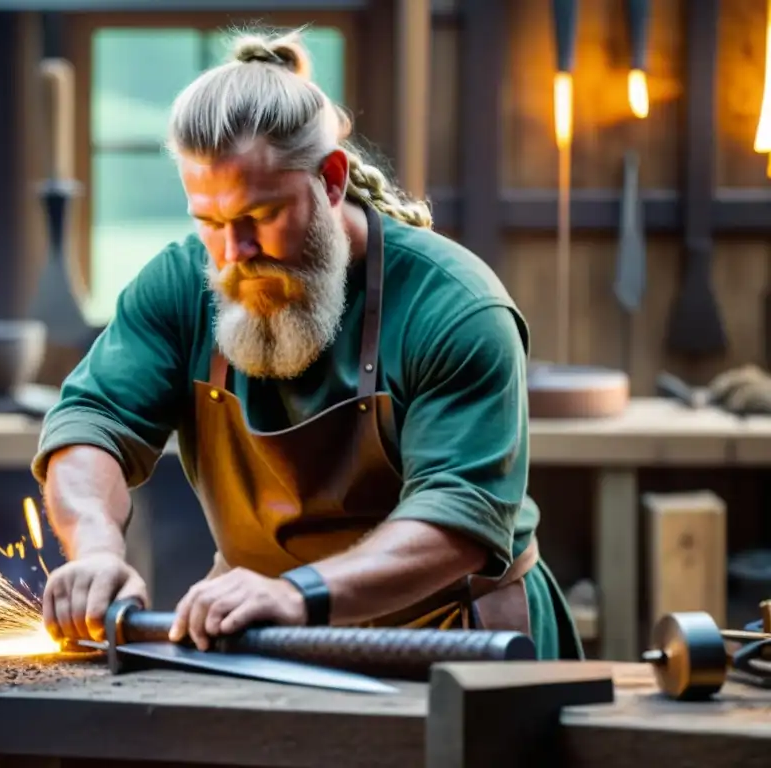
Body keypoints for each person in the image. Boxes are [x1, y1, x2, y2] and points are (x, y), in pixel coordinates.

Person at [31, 29, 583, 660]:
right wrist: (96, 548)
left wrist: (298, 594)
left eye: (259, 216)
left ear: (331, 180)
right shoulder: (184, 283)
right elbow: (91, 421)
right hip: (268, 630)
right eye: (209, 222)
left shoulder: (455, 306)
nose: (233, 252)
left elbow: (460, 517)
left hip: (455, 636)